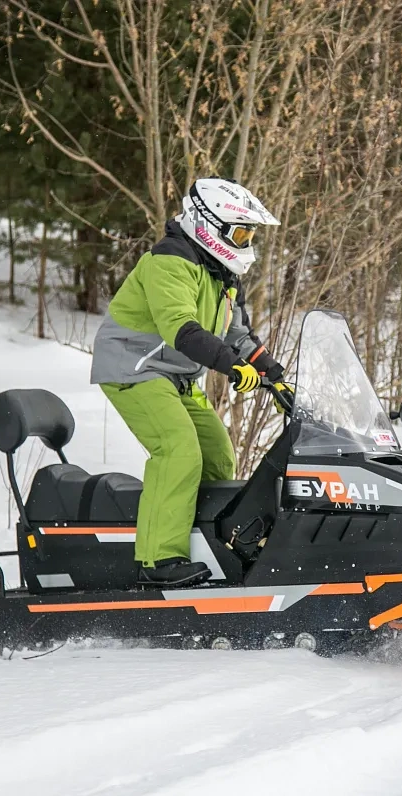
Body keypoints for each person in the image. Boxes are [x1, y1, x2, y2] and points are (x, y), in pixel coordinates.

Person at [90, 177, 289, 588]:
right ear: (208, 225)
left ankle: (209, 548)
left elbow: (235, 333)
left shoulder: (218, 274)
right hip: (135, 370)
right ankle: (159, 560)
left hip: (175, 378)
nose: (246, 241)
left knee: (218, 456)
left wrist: (273, 374)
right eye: (240, 232)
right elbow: (183, 329)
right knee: (178, 450)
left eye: (249, 234)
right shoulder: (170, 261)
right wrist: (232, 367)